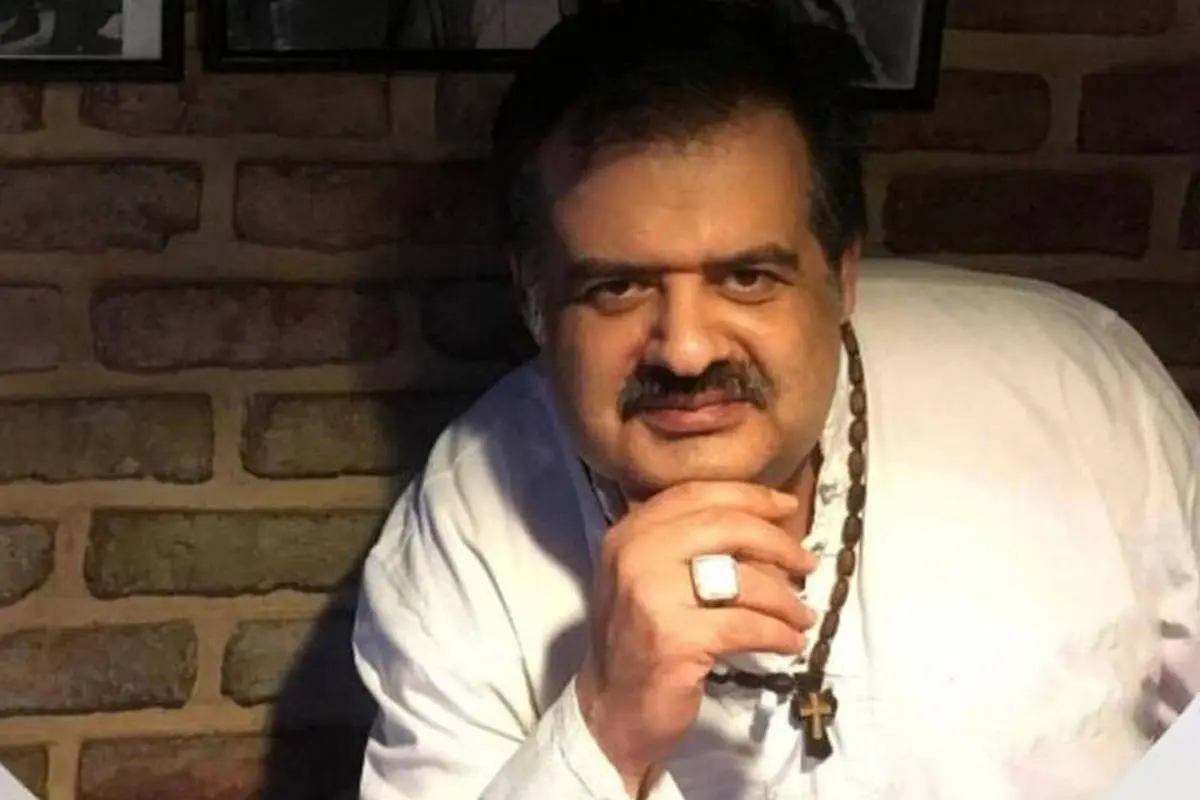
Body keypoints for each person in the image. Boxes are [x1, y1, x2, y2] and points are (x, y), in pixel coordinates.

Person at [351, 0, 1200, 797]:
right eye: (616, 288)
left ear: (842, 275)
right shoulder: (467, 523)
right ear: (532, 295)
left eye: (748, 277)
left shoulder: (1078, 385)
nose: (686, 349)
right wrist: (605, 727)